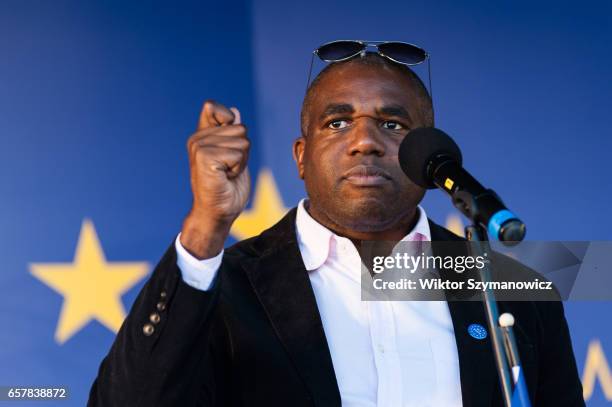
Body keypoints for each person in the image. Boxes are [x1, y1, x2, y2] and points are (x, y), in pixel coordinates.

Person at [88, 50, 584, 406]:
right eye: (337, 123)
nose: (365, 141)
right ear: (301, 158)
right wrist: (205, 227)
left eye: (393, 125)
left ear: (429, 156)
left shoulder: (511, 292)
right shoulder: (226, 289)